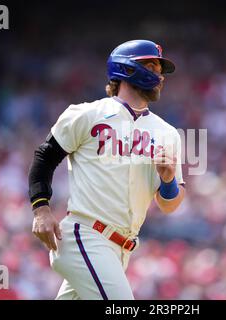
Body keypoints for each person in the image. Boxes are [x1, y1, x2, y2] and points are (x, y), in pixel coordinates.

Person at [28, 39, 186, 300]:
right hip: (86, 236)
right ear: (127, 69)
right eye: (152, 65)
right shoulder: (88, 114)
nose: (159, 75)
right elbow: (45, 157)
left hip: (120, 250)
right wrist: (41, 210)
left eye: (161, 69)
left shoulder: (168, 133)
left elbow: (170, 204)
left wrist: (168, 180)